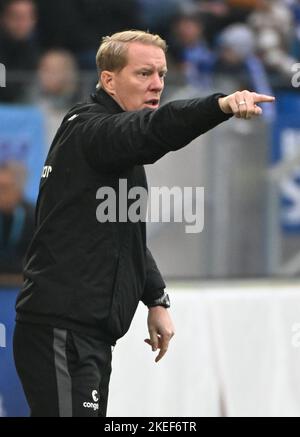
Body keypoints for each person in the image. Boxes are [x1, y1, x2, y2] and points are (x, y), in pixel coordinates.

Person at [13, 30, 275, 417]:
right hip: (60, 331)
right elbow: (155, 130)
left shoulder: (112, 143)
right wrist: (218, 106)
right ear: (108, 80)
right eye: (144, 74)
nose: (157, 85)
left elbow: (125, 231)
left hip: (87, 334)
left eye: (162, 74)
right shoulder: (91, 129)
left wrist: (155, 298)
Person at [0, 161, 35, 275]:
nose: (2, 194)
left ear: (19, 190)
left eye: (5, 188)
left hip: (21, 281)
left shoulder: (33, 217)